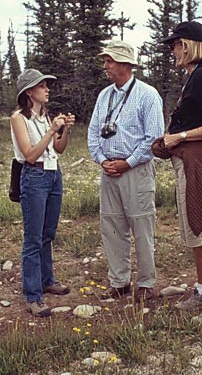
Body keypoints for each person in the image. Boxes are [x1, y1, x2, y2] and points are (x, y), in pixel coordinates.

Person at [157, 21, 202, 324]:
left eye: (174, 45)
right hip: (190, 159)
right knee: (195, 228)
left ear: (186, 44)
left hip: (198, 160)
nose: (172, 51)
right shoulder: (195, 77)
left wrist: (181, 137)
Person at [88, 40, 164, 303]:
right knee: (111, 225)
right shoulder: (104, 95)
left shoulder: (147, 95)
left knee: (141, 224)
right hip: (109, 170)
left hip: (136, 170)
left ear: (125, 64)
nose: (105, 66)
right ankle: (119, 281)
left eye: (109, 61)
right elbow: (93, 132)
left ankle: (146, 282)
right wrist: (101, 160)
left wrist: (128, 162)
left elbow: (153, 137)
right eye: (105, 60)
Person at [11, 69, 75, 317]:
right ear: (29, 92)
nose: (47, 89)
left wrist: (65, 130)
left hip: (52, 174)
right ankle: (32, 294)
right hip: (34, 176)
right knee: (33, 237)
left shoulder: (45, 116)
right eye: (42, 86)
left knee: (48, 232)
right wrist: (51, 131)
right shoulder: (19, 118)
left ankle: (47, 280)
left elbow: (58, 149)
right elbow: (29, 154)